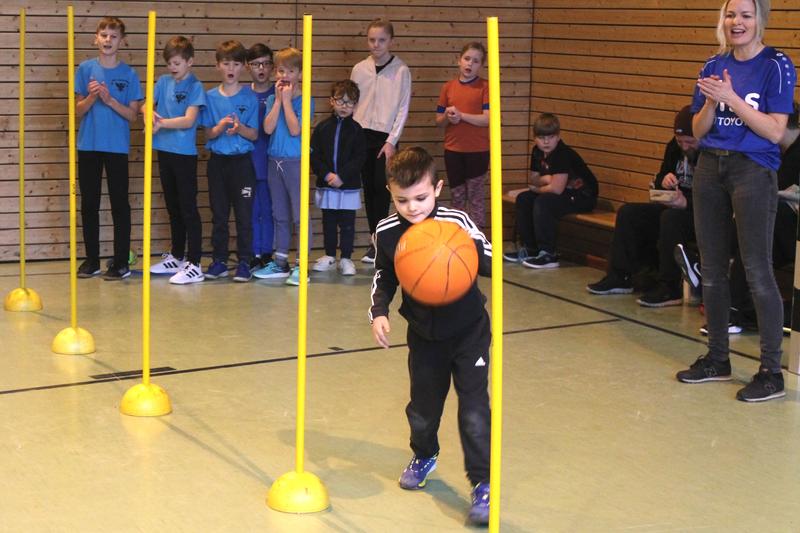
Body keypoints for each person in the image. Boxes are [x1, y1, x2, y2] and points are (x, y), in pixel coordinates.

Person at [676, 0, 796, 402]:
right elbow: (697, 128)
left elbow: (776, 132)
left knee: (756, 269)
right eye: (730, 15)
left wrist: (733, 97)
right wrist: (712, 102)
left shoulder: (776, 65)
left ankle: (770, 371)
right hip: (711, 167)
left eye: (745, 15)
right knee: (711, 267)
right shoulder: (712, 65)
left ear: (760, 20)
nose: (737, 22)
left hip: (752, 169)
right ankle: (717, 359)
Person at [369, 147, 492, 526]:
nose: (413, 207)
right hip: (424, 334)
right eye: (402, 200)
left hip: (469, 330)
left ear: (437, 188)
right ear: (391, 194)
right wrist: (379, 312)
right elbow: (383, 275)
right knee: (423, 409)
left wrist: (460, 250)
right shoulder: (387, 232)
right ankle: (424, 454)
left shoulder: (456, 221)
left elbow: (488, 259)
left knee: (473, 410)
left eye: (421, 198)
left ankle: (483, 484)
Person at [679, 101, 800, 334]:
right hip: (782, 226)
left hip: (790, 225)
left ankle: (726, 299)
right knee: (751, 227)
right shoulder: (780, 152)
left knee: (758, 224)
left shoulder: (790, 153)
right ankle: (730, 305)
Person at [587, 106, 699, 306]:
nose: (684, 146)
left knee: (670, 219)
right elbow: (659, 179)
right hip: (674, 207)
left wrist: (686, 203)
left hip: (700, 215)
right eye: (680, 141)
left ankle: (670, 287)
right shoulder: (674, 148)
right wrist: (664, 182)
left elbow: (719, 199)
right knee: (629, 213)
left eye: (689, 142)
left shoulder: (711, 156)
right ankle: (620, 276)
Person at [75, 17, 142, 280]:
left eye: (113, 36)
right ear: (95, 38)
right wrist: (92, 96)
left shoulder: (129, 74)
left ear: (121, 41)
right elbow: (78, 110)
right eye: (103, 35)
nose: (107, 40)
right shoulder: (85, 68)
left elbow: (132, 116)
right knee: (89, 203)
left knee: (119, 204)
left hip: (116, 147)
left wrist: (109, 99)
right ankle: (92, 260)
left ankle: (120, 262)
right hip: (88, 145)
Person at [351, 19, 412, 264]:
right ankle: (374, 241)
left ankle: (384, 241)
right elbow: (352, 102)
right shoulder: (359, 69)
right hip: (361, 135)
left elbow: (403, 107)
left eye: (381, 40)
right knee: (368, 189)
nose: (376, 45)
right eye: (372, 40)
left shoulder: (401, 70)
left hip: (384, 139)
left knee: (382, 190)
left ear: (391, 41)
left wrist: (392, 140)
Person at [503, 113, 598, 268]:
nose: (546, 142)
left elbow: (556, 189)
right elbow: (534, 178)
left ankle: (548, 253)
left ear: (558, 137)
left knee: (544, 202)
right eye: (541, 137)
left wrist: (538, 187)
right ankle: (530, 248)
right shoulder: (537, 151)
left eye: (551, 137)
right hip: (564, 192)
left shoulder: (562, 154)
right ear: (535, 138)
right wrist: (547, 179)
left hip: (583, 196)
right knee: (524, 198)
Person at [253, 48, 315, 286]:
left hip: (295, 162)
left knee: (300, 215)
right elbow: (267, 129)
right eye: (281, 70)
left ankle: (302, 265)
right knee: (279, 214)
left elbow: (295, 129)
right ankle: (280, 261)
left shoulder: (306, 99)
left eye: (291, 70)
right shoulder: (272, 98)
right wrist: (278, 101)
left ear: (299, 73)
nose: (285, 75)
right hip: (274, 161)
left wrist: (288, 102)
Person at [199, 40, 259, 282]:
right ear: (218, 66)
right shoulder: (210, 97)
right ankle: (220, 260)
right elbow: (208, 134)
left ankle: (244, 261)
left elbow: (254, 134)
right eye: (226, 63)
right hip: (218, 164)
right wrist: (221, 126)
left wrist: (240, 128)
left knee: (244, 215)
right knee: (219, 214)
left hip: (242, 164)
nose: (230, 68)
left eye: (236, 63)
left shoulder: (250, 98)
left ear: (243, 67)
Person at [149, 36, 206, 285]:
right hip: (164, 151)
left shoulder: (195, 86)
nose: (172, 67)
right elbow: (145, 105)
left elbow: (188, 120)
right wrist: (147, 113)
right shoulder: (162, 82)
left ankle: (194, 262)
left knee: (188, 208)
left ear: (189, 62)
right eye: (169, 63)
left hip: (184, 155)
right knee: (172, 206)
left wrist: (159, 123)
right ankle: (177, 255)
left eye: (177, 63)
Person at [309, 80, 366, 277]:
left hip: (348, 185)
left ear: (355, 105)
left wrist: (342, 176)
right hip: (327, 185)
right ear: (331, 101)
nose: (344, 106)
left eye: (349, 103)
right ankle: (329, 255)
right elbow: (314, 155)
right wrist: (327, 174)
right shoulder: (322, 128)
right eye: (340, 101)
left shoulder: (358, 131)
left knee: (347, 223)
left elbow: (360, 158)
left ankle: (347, 258)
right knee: (329, 221)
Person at [436, 42, 490, 229]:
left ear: (481, 66)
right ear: (459, 60)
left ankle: (478, 240)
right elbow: (439, 120)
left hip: (478, 151)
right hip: (453, 150)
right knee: (457, 196)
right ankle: (457, 236)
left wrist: (462, 116)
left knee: (475, 197)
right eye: (467, 59)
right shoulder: (448, 87)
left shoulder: (485, 87)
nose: (470, 64)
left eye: (475, 61)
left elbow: (487, 119)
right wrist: (448, 117)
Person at [241, 43, 276, 271]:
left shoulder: (279, 93)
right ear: (247, 67)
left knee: (268, 211)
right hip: (247, 163)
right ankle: (253, 252)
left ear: (272, 66)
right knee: (251, 211)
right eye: (255, 64)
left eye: (265, 63)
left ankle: (267, 253)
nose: (261, 68)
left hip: (272, 163)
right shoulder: (243, 94)